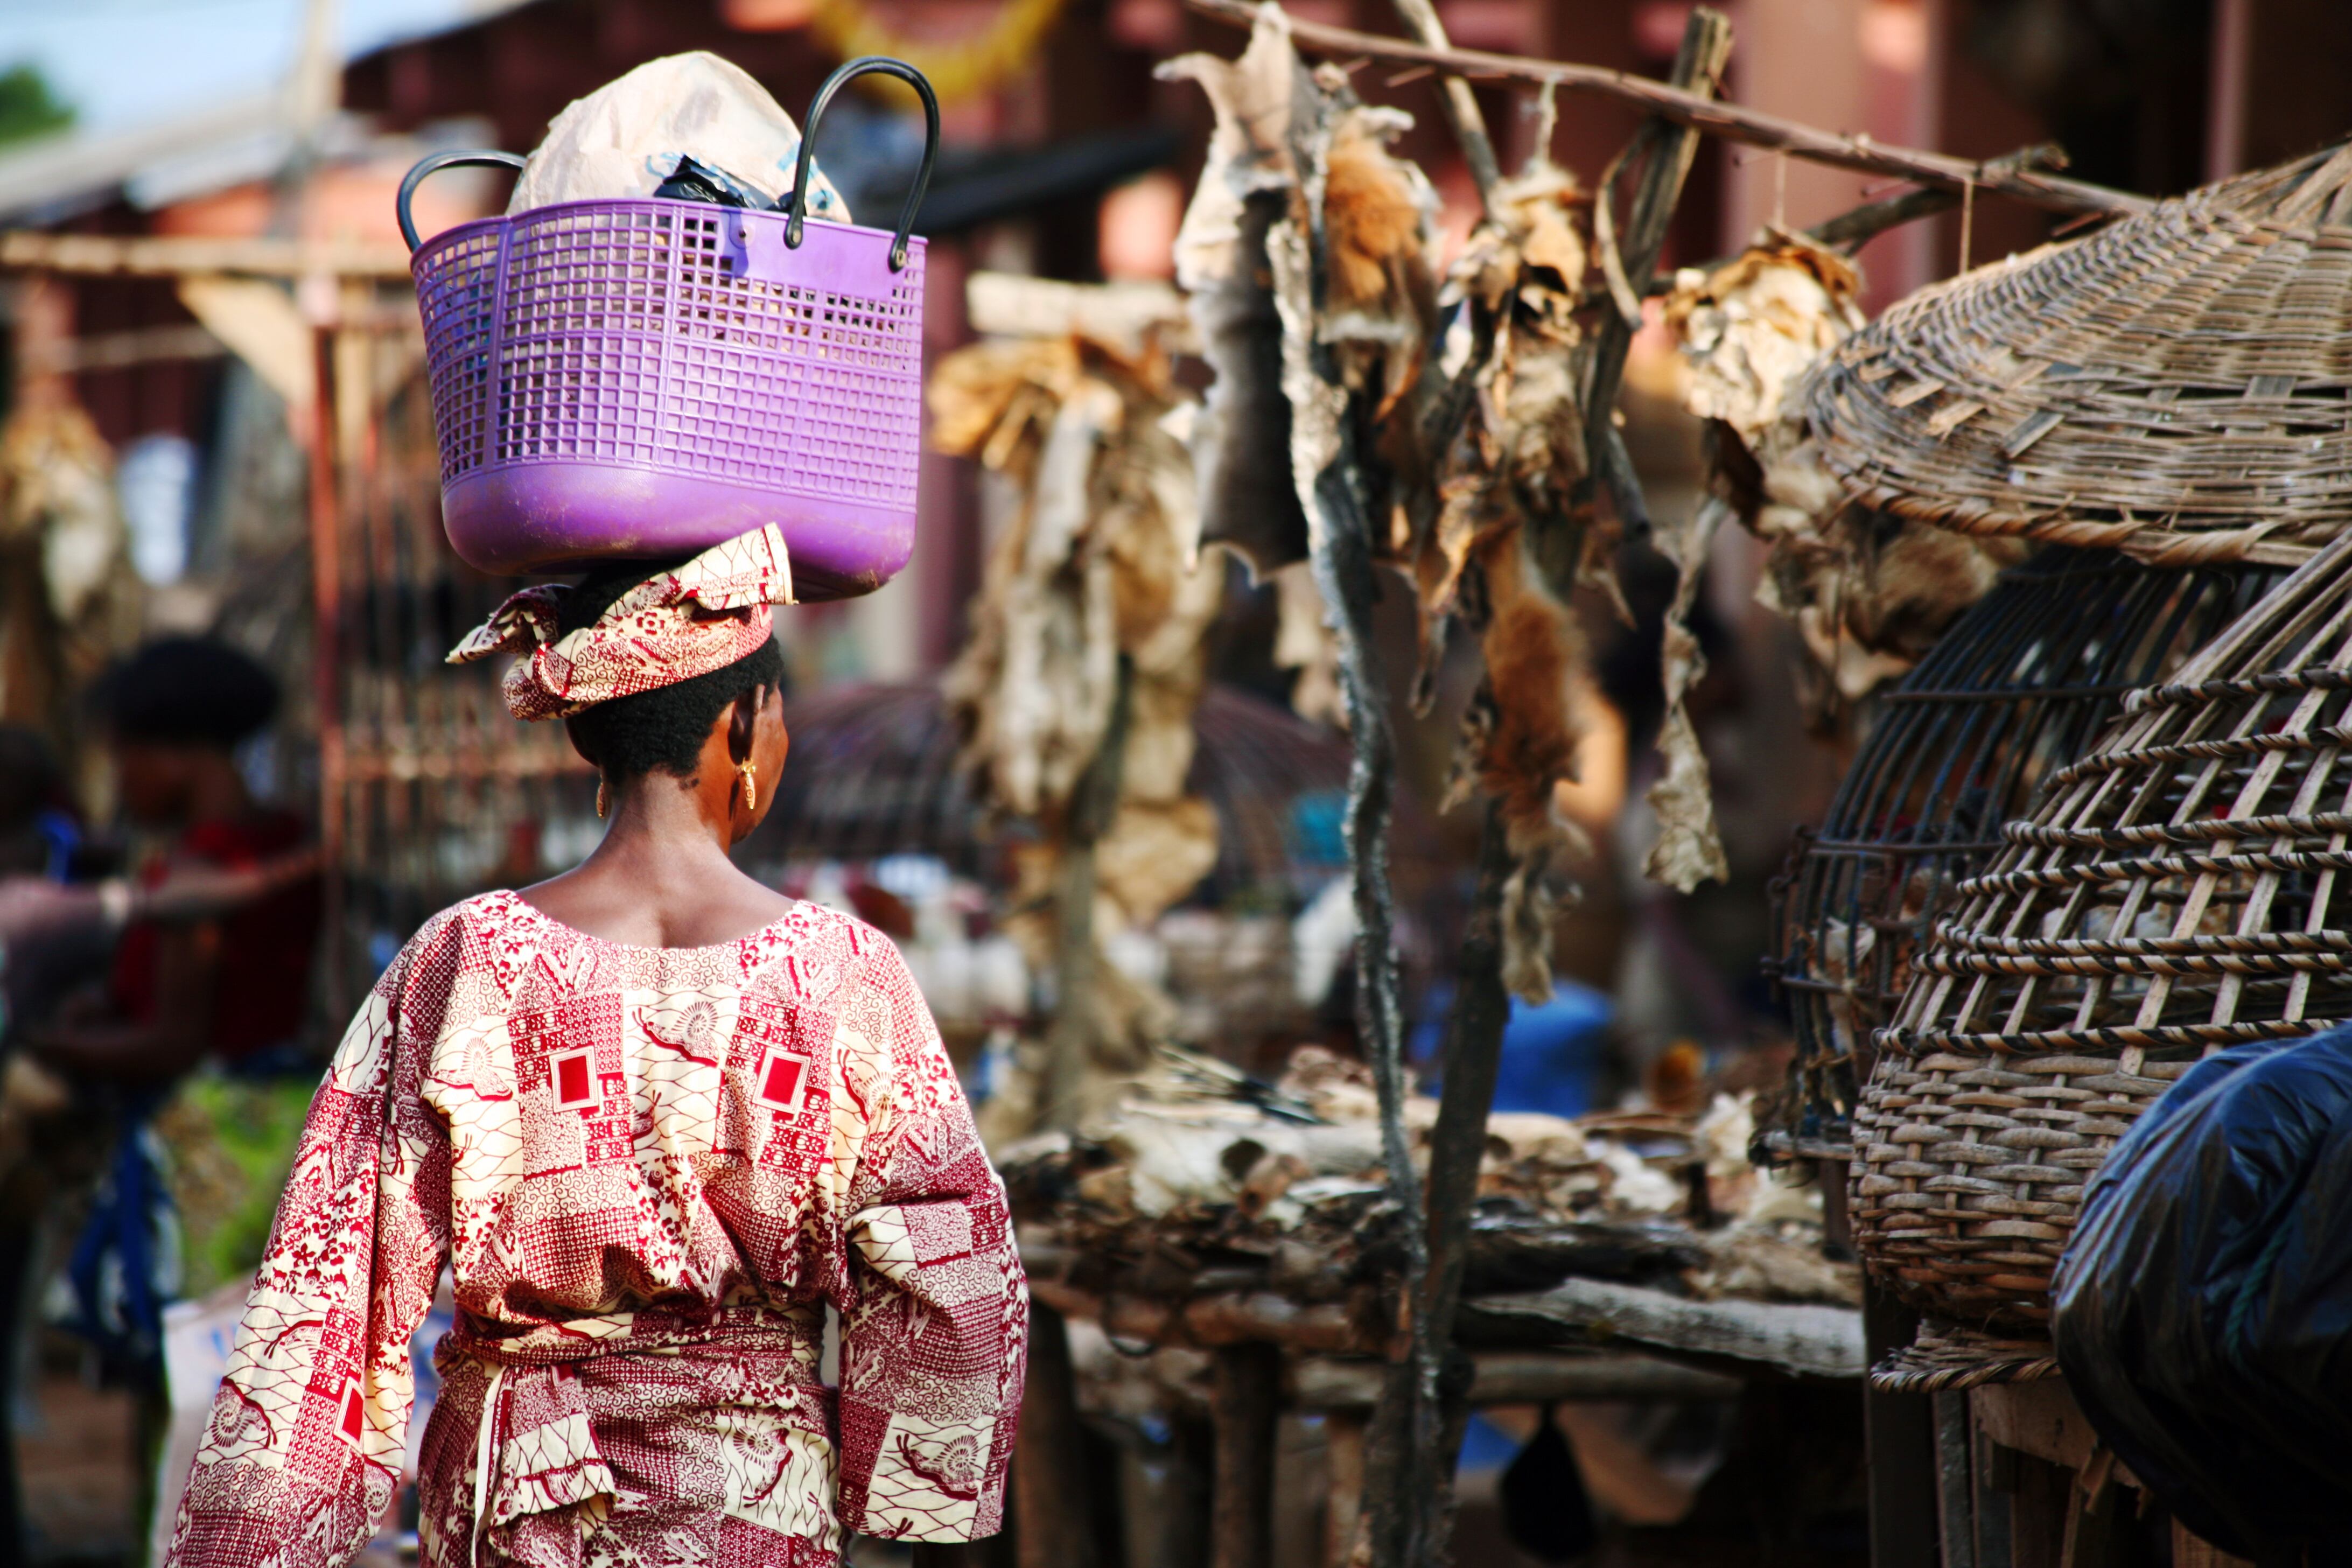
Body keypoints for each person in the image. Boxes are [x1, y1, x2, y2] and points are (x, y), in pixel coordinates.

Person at [162, 527, 1027, 1568]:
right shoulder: (844, 971)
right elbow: (951, 1263)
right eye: (779, 718)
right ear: (742, 728)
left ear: (591, 739)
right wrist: (901, 1497)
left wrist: (257, 1538)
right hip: (750, 1503)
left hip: (516, 1499)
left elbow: (331, 1278)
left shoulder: (468, 957)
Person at [25, 638, 320, 1084]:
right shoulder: (286, 835)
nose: (121, 780)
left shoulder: (199, 872)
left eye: (123, 755)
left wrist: (43, 1049)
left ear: (173, 758)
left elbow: (173, 1045)